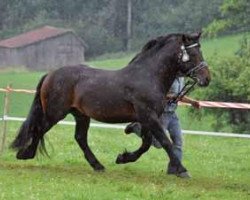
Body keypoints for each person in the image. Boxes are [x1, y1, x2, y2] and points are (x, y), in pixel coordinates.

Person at [125, 77, 201, 178]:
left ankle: (174, 169)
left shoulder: (181, 79)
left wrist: (192, 102)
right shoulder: (169, 77)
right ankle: (136, 128)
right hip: (162, 114)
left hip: (173, 114)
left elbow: (180, 96)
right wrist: (170, 96)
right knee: (158, 144)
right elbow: (158, 94)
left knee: (178, 142)